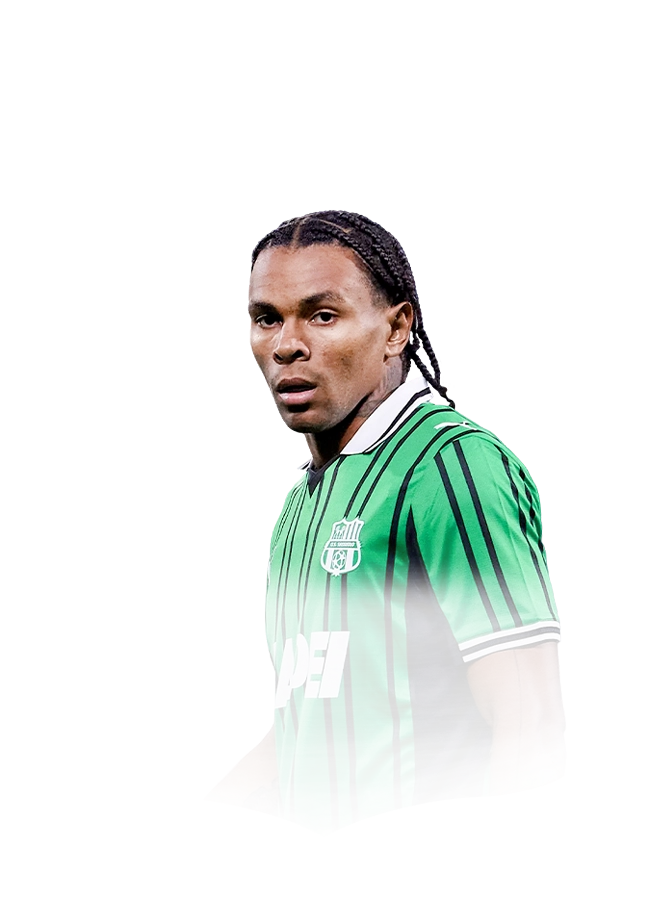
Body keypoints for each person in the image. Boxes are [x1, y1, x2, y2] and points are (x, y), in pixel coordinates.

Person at [204, 210, 566, 833]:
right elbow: (305, 726)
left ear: (396, 328)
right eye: (267, 318)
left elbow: (531, 725)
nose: (287, 344)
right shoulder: (303, 504)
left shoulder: (450, 466)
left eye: (323, 315)